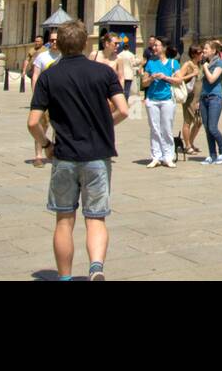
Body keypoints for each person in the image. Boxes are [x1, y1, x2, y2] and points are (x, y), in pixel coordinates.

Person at [27, 20, 128, 281]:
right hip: (97, 155)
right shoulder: (103, 73)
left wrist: (47, 145)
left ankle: (64, 277)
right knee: (96, 218)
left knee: (64, 220)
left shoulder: (49, 75)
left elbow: (33, 122)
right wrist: (106, 126)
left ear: (58, 45)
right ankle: (96, 267)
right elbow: (124, 109)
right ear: (86, 44)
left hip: (64, 156)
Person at [142, 42, 182, 169]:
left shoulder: (173, 63)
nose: (154, 48)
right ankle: (156, 156)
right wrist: (151, 78)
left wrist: (165, 77)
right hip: (152, 100)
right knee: (154, 129)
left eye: (157, 45)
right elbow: (143, 83)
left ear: (164, 47)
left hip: (167, 100)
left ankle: (168, 157)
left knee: (167, 128)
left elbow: (179, 80)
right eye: (153, 46)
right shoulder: (150, 63)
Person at [29, 39, 62, 167]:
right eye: (52, 40)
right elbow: (35, 76)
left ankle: (56, 153)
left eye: (56, 40)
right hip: (45, 97)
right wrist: (35, 94)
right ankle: (38, 156)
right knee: (41, 126)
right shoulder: (42, 56)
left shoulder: (64, 56)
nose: (54, 42)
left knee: (59, 128)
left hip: (59, 98)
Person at [199, 41, 222, 165]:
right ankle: (212, 154)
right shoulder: (206, 62)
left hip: (215, 98)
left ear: (213, 51)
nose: (203, 51)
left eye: (206, 49)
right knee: (207, 128)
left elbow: (211, 79)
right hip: (204, 98)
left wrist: (205, 67)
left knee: (213, 127)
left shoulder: (219, 63)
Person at [113, 36, 137, 100]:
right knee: (127, 89)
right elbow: (134, 63)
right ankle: (126, 101)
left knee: (121, 88)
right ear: (128, 47)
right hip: (129, 74)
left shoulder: (119, 54)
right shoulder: (131, 54)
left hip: (121, 74)